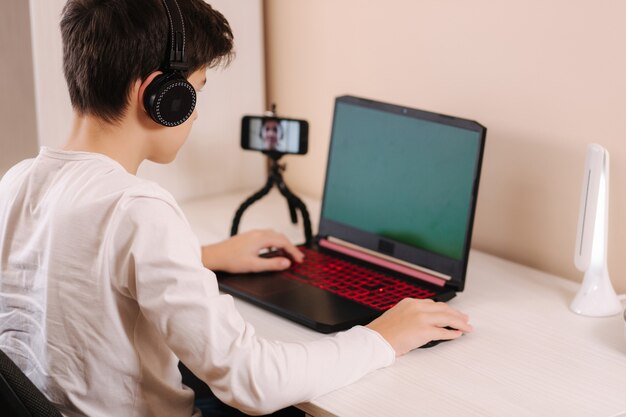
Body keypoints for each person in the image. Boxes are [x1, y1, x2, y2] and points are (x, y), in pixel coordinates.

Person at [0, 1, 473, 416]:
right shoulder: (137, 209)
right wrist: (383, 336)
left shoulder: (18, 180)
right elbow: (251, 381)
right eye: (196, 91)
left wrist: (202, 256)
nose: (197, 112)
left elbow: (71, 267)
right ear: (159, 97)